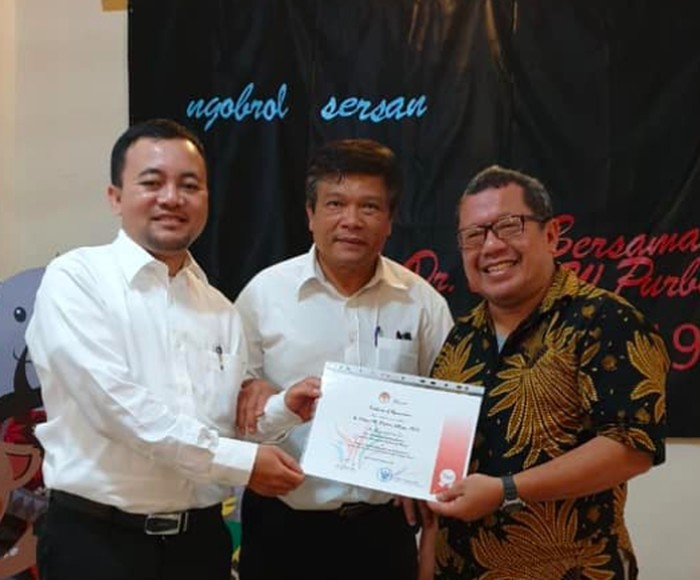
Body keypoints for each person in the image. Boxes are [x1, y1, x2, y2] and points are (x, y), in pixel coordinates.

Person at [25, 119, 316, 580]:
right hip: (98, 544)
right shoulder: (77, 280)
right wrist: (242, 464)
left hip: (199, 546)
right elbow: (118, 410)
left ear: (207, 199)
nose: (172, 198)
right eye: (151, 182)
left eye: (189, 185)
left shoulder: (220, 308)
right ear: (115, 197)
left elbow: (217, 425)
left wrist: (282, 409)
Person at [426, 165, 668, 579]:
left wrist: (505, 491)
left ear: (552, 235)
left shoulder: (607, 320)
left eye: (509, 226)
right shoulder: (460, 338)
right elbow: (441, 463)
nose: (491, 246)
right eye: (474, 235)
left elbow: (631, 447)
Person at [233, 138, 455, 580]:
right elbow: (231, 415)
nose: (351, 221)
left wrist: (428, 475)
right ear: (310, 214)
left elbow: (451, 412)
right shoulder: (263, 296)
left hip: (383, 532)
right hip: (282, 528)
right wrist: (271, 407)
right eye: (335, 204)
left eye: (369, 207)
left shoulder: (422, 303)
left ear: (390, 220)